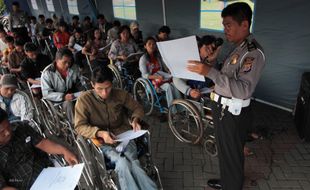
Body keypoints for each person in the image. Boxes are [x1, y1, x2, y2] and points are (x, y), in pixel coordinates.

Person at [187, 2, 266, 190]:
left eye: (228, 25)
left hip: (232, 112)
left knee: (231, 152)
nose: (225, 30)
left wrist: (210, 72)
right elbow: (227, 78)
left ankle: (232, 185)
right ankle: (229, 180)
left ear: (244, 25)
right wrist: (213, 64)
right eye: (224, 25)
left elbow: (243, 89)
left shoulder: (253, 53)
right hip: (223, 108)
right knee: (226, 151)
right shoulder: (238, 48)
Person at [74, 66, 157, 190]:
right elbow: (80, 126)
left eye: (108, 88)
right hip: (101, 142)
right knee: (122, 163)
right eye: (99, 89)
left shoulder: (120, 94)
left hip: (124, 136)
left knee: (134, 162)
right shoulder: (84, 100)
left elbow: (137, 108)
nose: (104, 93)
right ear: (92, 84)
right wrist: (100, 133)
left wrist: (135, 119)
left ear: (112, 83)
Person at [0, 108, 78, 189]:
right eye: (1, 132)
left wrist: (64, 151)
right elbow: (3, 187)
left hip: (47, 171)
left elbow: (42, 143)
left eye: (8, 126)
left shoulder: (20, 127)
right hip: (22, 185)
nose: (8, 132)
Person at [139, 37, 181, 120]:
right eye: (149, 44)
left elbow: (164, 68)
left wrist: (169, 71)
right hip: (152, 81)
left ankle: (181, 108)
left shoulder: (157, 56)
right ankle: (172, 112)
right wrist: (157, 77)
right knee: (168, 87)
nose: (152, 46)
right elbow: (144, 75)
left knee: (174, 85)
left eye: (153, 44)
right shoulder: (143, 59)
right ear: (145, 46)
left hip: (162, 77)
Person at [41, 48, 83, 123]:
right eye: (64, 62)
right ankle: (76, 125)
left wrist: (83, 91)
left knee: (86, 97)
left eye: (69, 62)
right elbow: (46, 94)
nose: (67, 65)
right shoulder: (47, 73)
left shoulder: (73, 67)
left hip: (72, 94)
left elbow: (79, 82)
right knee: (68, 103)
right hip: (58, 100)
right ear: (57, 60)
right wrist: (63, 96)